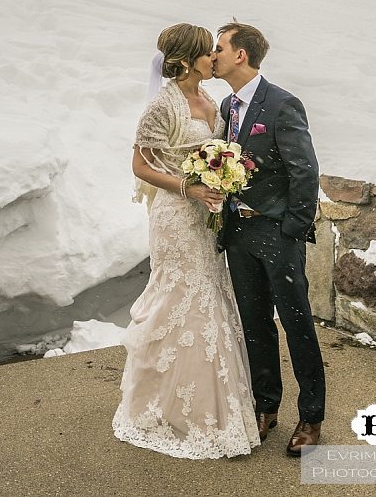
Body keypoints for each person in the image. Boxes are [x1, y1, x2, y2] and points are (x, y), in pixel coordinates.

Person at [112, 23, 260, 459]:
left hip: (204, 218)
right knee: (180, 298)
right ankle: (161, 408)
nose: (215, 58)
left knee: (209, 298)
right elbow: (140, 165)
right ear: (189, 59)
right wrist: (187, 188)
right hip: (176, 218)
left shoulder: (210, 101)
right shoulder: (162, 106)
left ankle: (208, 409)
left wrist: (222, 178)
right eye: (208, 53)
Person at [213, 21, 325, 456]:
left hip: (277, 234)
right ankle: (266, 407)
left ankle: (311, 417)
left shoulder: (281, 104)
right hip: (238, 232)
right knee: (255, 325)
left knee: (297, 325)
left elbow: (305, 171)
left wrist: (291, 231)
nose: (214, 55)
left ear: (241, 54)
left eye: (219, 48)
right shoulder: (227, 105)